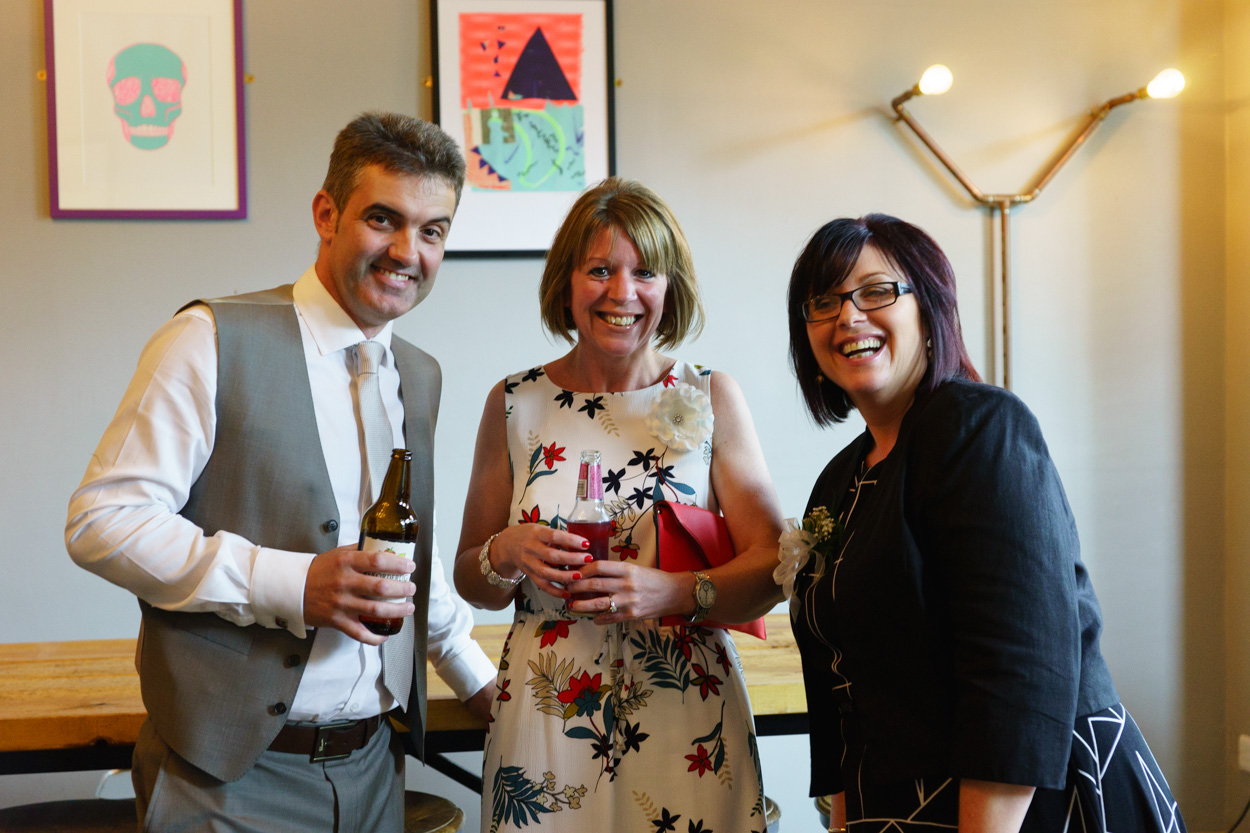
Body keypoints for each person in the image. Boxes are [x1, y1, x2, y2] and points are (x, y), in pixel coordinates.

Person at [66, 112, 496, 833]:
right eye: (382, 218)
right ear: (326, 214)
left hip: (375, 773)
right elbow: (101, 522)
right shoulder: (207, 339)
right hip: (226, 781)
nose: (406, 251)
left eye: (432, 230)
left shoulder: (418, 376)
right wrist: (291, 583)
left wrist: (480, 682)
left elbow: (405, 560)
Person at [778, 213, 1186, 833]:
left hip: (1025, 804)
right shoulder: (839, 480)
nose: (849, 316)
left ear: (929, 309)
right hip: (892, 805)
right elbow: (841, 690)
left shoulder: (980, 429)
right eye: (825, 301)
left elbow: (1020, 669)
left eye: (876, 292)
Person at [453, 177, 785, 832]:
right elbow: (471, 580)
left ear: (670, 287)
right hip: (548, 712)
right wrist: (504, 550)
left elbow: (773, 565)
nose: (621, 293)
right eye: (599, 269)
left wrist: (672, 590)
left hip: (686, 714)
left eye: (644, 273)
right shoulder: (514, 402)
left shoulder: (712, 396)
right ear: (566, 281)